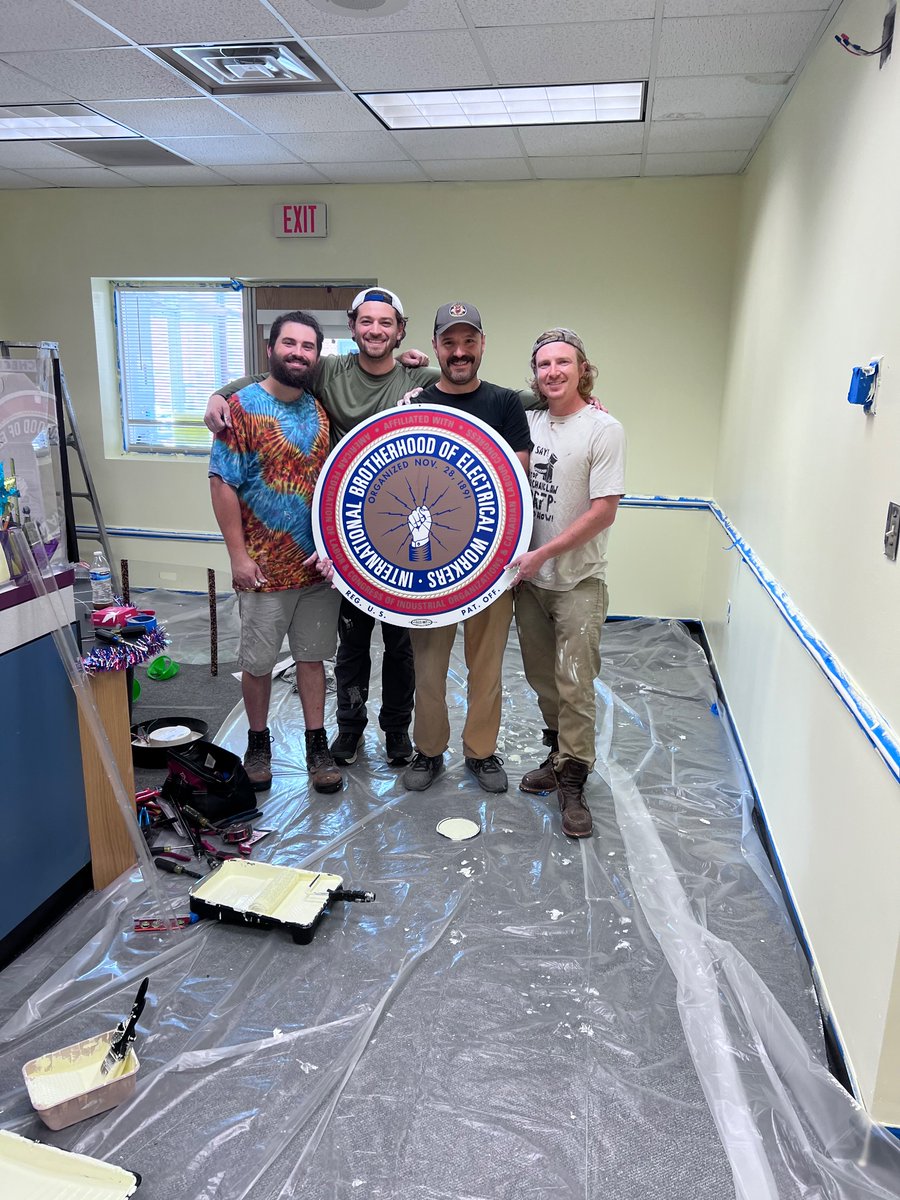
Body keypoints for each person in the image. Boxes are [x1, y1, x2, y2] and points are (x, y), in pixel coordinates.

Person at [205, 289, 438, 770]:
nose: (297, 353)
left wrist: (557, 396)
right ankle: (320, 737)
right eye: (366, 322)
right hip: (305, 557)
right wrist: (217, 394)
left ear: (400, 330)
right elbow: (260, 387)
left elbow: (476, 388)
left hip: (369, 548)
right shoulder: (313, 383)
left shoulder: (401, 381)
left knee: (379, 651)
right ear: (352, 329)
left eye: (386, 322)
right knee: (324, 652)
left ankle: (381, 734)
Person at [208, 310, 343, 795]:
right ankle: (258, 743)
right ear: (271, 348)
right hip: (262, 569)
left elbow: (332, 487)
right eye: (290, 343)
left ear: (317, 356)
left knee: (312, 660)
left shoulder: (318, 411)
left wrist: (332, 549)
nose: (298, 353)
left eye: (308, 347)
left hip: (314, 569)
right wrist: (238, 558)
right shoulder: (240, 407)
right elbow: (222, 482)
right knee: (259, 663)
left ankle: (315, 744)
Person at [401, 302, 532, 795]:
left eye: (469, 342)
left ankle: (481, 753)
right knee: (429, 668)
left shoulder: (504, 403)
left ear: (481, 345)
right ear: (435, 346)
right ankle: (428, 751)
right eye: (450, 342)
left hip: (491, 561)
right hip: (428, 564)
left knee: (488, 665)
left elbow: (513, 481)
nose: (459, 352)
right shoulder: (416, 404)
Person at [509, 329, 625, 838]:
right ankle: (558, 757)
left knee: (575, 681)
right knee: (542, 679)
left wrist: (543, 554)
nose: (552, 371)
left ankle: (574, 781)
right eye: (543, 365)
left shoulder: (603, 428)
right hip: (530, 584)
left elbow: (604, 512)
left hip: (577, 580)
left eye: (563, 362)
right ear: (534, 374)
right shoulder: (526, 421)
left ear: (583, 369)